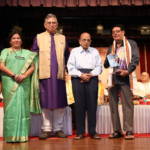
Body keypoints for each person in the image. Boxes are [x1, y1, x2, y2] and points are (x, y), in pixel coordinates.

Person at [0, 26, 41, 143]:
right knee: (11, 110)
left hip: (24, 83)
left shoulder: (28, 53)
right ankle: (10, 136)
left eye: (18, 38)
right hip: (10, 83)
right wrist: (13, 75)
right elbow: (1, 66)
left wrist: (23, 76)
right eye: (14, 38)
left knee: (23, 109)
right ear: (10, 41)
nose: (16, 40)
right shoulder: (5, 52)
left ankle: (23, 136)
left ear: (21, 40)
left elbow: (33, 67)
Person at [32, 13, 68, 139]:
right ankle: (46, 129)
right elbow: (33, 56)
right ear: (45, 24)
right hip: (44, 75)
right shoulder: (38, 37)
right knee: (45, 102)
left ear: (57, 24)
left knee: (59, 102)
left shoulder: (62, 38)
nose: (52, 25)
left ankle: (58, 128)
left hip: (58, 76)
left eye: (54, 22)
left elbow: (67, 56)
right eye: (49, 23)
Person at [104, 24, 139, 140]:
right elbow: (106, 65)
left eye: (118, 31)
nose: (115, 34)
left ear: (123, 32)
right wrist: (108, 57)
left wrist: (127, 71)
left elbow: (135, 59)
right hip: (114, 79)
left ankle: (128, 130)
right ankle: (116, 130)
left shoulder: (131, 44)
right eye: (113, 32)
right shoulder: (111, 47)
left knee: (127, 105)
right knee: (113, 105)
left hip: (126, 78)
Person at [67, 32, 102, 140]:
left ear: (90, 41)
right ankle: (80, 132)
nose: (86, 42)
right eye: (84, 40)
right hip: (77, 78)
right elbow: (70, 67)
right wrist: (81, 75)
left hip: (92, 78)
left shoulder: (95, 51)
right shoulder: (74, 51)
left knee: (92, 105)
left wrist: (90, 75)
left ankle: (92, 131)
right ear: (79, 41)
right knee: (79, 106)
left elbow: (99, 67)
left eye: (88, 40)